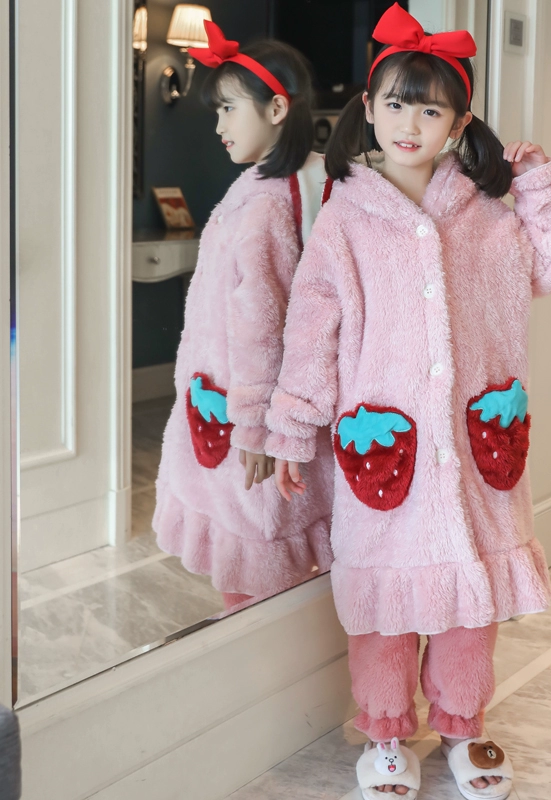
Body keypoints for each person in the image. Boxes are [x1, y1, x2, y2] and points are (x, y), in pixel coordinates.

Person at [267, 5, 551, 798]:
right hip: (385, 444)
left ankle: (464, 725)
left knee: (470, 599)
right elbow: (311, 333)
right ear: (368, 110)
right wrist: (292, 432)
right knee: (384, 599)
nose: (411, 124)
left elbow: (550, 264)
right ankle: (384, 731)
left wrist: (536, 183)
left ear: (459, 124)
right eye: (397, 104)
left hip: (474, 448)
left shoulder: (486, 215)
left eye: (431, 110)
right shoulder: (344, 222)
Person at [153, 21, 333, 612]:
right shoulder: (276, 186)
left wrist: (254, 428)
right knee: (248, 536)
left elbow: (263, 327)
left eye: (229, 109)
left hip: (245, 409)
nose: (219, 125)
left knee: (254, 546)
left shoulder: (266, 205)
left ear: (276, 109)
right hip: (226, 398)